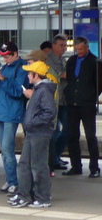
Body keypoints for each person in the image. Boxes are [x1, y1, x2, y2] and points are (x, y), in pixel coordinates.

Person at [10, 60, 58, 208]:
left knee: (38, 166)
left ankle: (43, 197)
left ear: (36, 75)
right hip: (33, 132)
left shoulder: (43, 90)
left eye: (29, 74)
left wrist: (32, 122)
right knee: (24, 164)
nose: (28, 76)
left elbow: (50, 112)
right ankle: (24, 194)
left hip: (39, 132)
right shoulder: (40, 89)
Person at [0, 41, 27, 195]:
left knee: (8, 149)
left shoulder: (21, 67)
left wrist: (2, 78)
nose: (4, 59)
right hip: (0, 112)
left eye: (7, 56)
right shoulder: (5, 67)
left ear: (15, 54)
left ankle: (14, 182)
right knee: (3, 149)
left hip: (12, 113)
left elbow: (18, 92)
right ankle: (10, 180)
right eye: (2, 56)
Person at [63, 36, 100, 177]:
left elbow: (98, 82)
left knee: (90, 136)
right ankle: (76, 166)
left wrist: (91, 94)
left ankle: (94, 168)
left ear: (87, 47)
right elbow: (69, 79)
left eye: (81, 49)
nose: (78, 51)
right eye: (76, 49)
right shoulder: (72, 60)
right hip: (72, 103)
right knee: (72, 135)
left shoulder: (94, 61)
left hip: (87, 103)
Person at [45, 34, 69, 172]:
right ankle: (53, 160)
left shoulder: (64, 60)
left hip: (64, 99)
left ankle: (56, 155)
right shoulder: (48, 60)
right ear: (53, 45)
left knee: (68, 130)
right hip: (53, 100)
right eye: (61, 45)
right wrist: (61, 74)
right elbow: (51, 76)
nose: (64, 48)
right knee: (54, 131)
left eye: (65, 45)